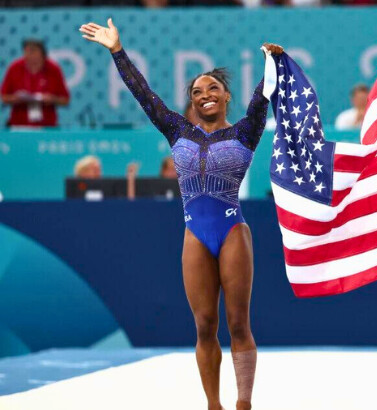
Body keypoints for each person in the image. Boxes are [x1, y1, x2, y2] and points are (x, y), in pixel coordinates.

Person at [80, 19, 282, 410]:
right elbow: (144, 95)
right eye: (196, 91)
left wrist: (273, 62)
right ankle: (213, 405)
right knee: (205, 326)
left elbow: (263, 97)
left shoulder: (245, 131)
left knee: (238, 324)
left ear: (226, 98)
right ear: (191, 102)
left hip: (232, 231)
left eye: (213, 89)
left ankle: (243, 403)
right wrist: (117, 52)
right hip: (195, 235)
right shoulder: (177, 131)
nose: (204, 95)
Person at [1, 39, 70, 127]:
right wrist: (17, 98)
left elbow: (65, 100)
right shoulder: (15, 68)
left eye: (33, 51)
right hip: (19, 124)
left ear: (42, 54)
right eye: (26, 52)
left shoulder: (53, 69)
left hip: (47, 124)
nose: (29, 55)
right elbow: (4, 97)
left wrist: (52, 99)